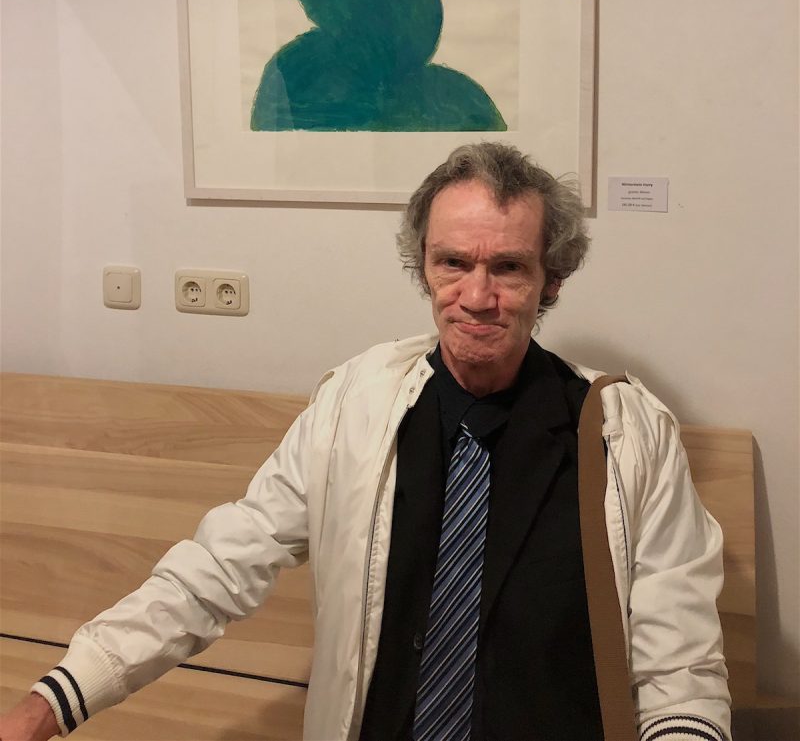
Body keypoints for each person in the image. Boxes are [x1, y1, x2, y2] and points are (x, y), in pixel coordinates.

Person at [0, 143, 730, 741]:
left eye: (508, 267)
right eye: (453, 263)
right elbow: (216, 569)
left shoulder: (628, 435)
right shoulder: (353, 406)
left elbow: (681, 672)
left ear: (553, 280)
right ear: (423, 267)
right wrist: (52, 701)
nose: (477, 296)